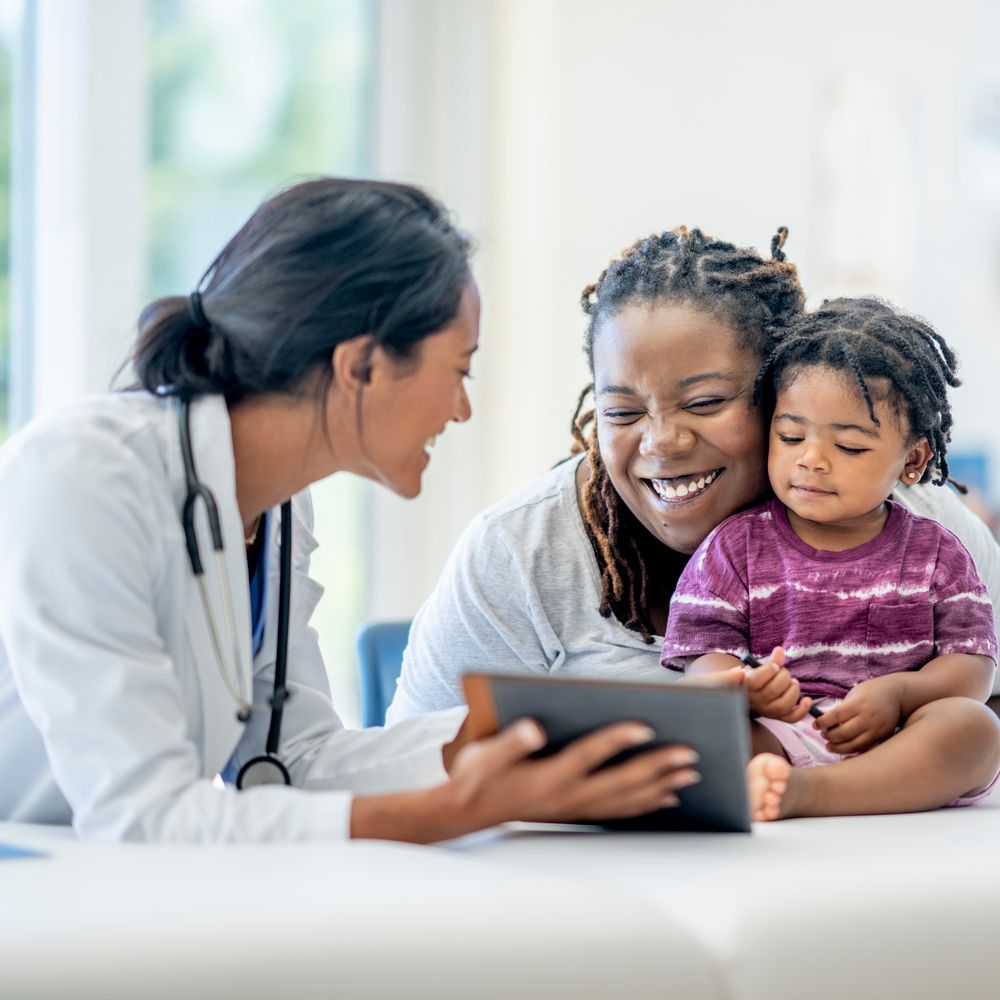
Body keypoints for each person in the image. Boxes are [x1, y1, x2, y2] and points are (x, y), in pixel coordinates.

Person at [0, 178, 703, 843]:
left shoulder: (275, 508)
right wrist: (444, 813)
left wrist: (542, 732)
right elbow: (142, 821)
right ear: (361, 365)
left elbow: (291, 761)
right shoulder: (83, 473)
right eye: (458, 370)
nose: (461, 409)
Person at [387, 230, 1000, 726]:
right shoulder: (517, 553)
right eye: (621, 412)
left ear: (784, 389)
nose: (662, 442)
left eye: (705, 403)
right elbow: (421, 768)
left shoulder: (923, 529)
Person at [660, 297, 1000, 820]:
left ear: (912, 460)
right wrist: (745, 689)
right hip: (779, 734)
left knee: (976, 729)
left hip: (900, 740)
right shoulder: (733, 548)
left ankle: (812, 794)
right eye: (791, 436)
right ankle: (781, 782)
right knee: (695, 733)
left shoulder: (937, 553)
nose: (811, 460)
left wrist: (902, 693)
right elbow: (704, 660)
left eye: (849, 447)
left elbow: (972, 669)